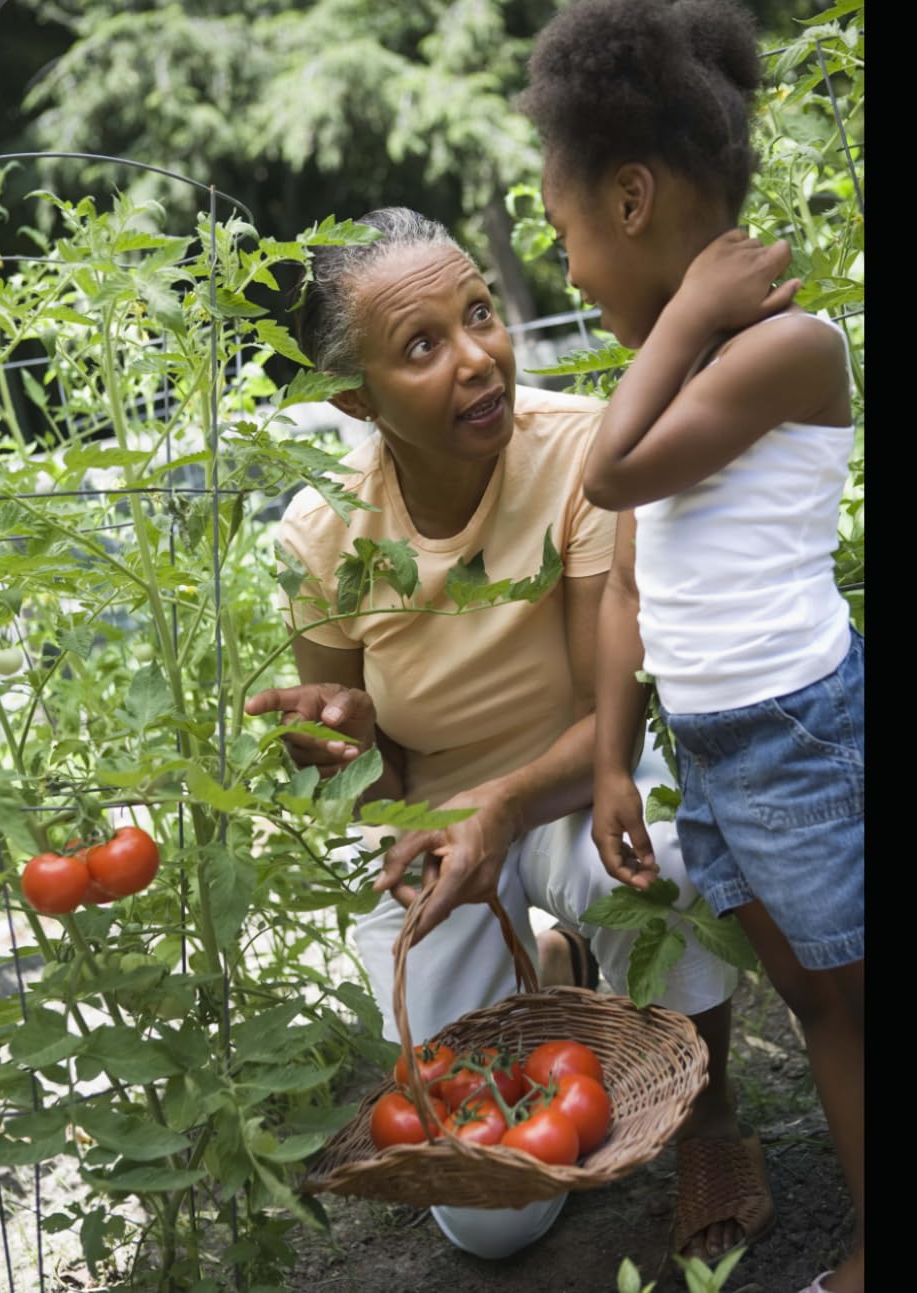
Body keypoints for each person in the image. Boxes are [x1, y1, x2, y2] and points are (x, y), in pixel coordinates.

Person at [244, 205, 780, 1263]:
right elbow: (367, 777)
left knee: (661, 862)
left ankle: (712, 1128)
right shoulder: (321, 535)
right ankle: (550, 959)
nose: (479, 359)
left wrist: (499, 814)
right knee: (496, 1222)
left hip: (579, 785)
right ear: (357, 399)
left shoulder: (582, 451)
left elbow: (608, 717)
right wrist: (347, 752)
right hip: (443, 828)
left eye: (478, 314)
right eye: (422, 345)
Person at [520, 3, 863, 1291]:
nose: (563, 273)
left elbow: (607, 475)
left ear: (629, 198)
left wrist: (686, 315)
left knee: (848, 1010)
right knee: (816, 1002)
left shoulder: (786, 349)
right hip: (718, 749)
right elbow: (632, 589)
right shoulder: (678, 372)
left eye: (559, 237)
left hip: (797, 736)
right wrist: (614, 761)